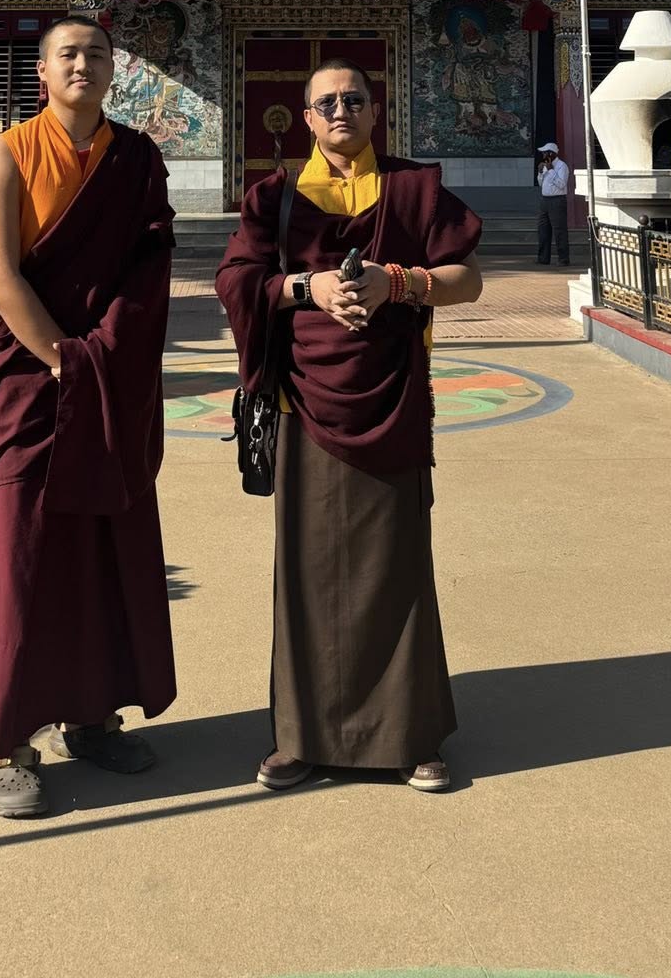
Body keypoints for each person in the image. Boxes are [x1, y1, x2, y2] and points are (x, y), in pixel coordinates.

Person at [215, 60, 483, 794]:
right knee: (306, 575)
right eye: (326, 102)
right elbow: (236, 280)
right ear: (306, 118)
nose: (341, 110)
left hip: (391, 398)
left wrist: (397, 282)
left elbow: (467, 278)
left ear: (375, 110)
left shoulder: (412, 189)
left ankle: (410, 736)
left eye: (354, 99)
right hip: (305, 404)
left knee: (397, 570)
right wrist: (310, 286)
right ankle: (300, 736)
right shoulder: (275, 198)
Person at [0, 14, 177, 817]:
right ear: (41, 72)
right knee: (19, 552)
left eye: (98, 54)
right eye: (68, 54)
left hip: (104, 372)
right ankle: (6, 743)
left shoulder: (137, 158)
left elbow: (148, 266)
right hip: (30, 376)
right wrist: (62, 358)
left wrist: (102, 354)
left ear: (115, 71)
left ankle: (93, 717)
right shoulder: (6, 154)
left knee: (101, 544)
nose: (84, 64)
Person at [536, 140, 571, 267]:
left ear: (551, 153)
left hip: (557, 200)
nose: (543, 155)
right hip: (545, 200)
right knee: (543, 229)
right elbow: (541, 184)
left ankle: (563, 259)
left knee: (559, 230)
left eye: (545, 153)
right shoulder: (546, 165)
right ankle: (543, 258)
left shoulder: (562, 166)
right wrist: (541, 172)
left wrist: (551, 170)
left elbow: (561, 184)